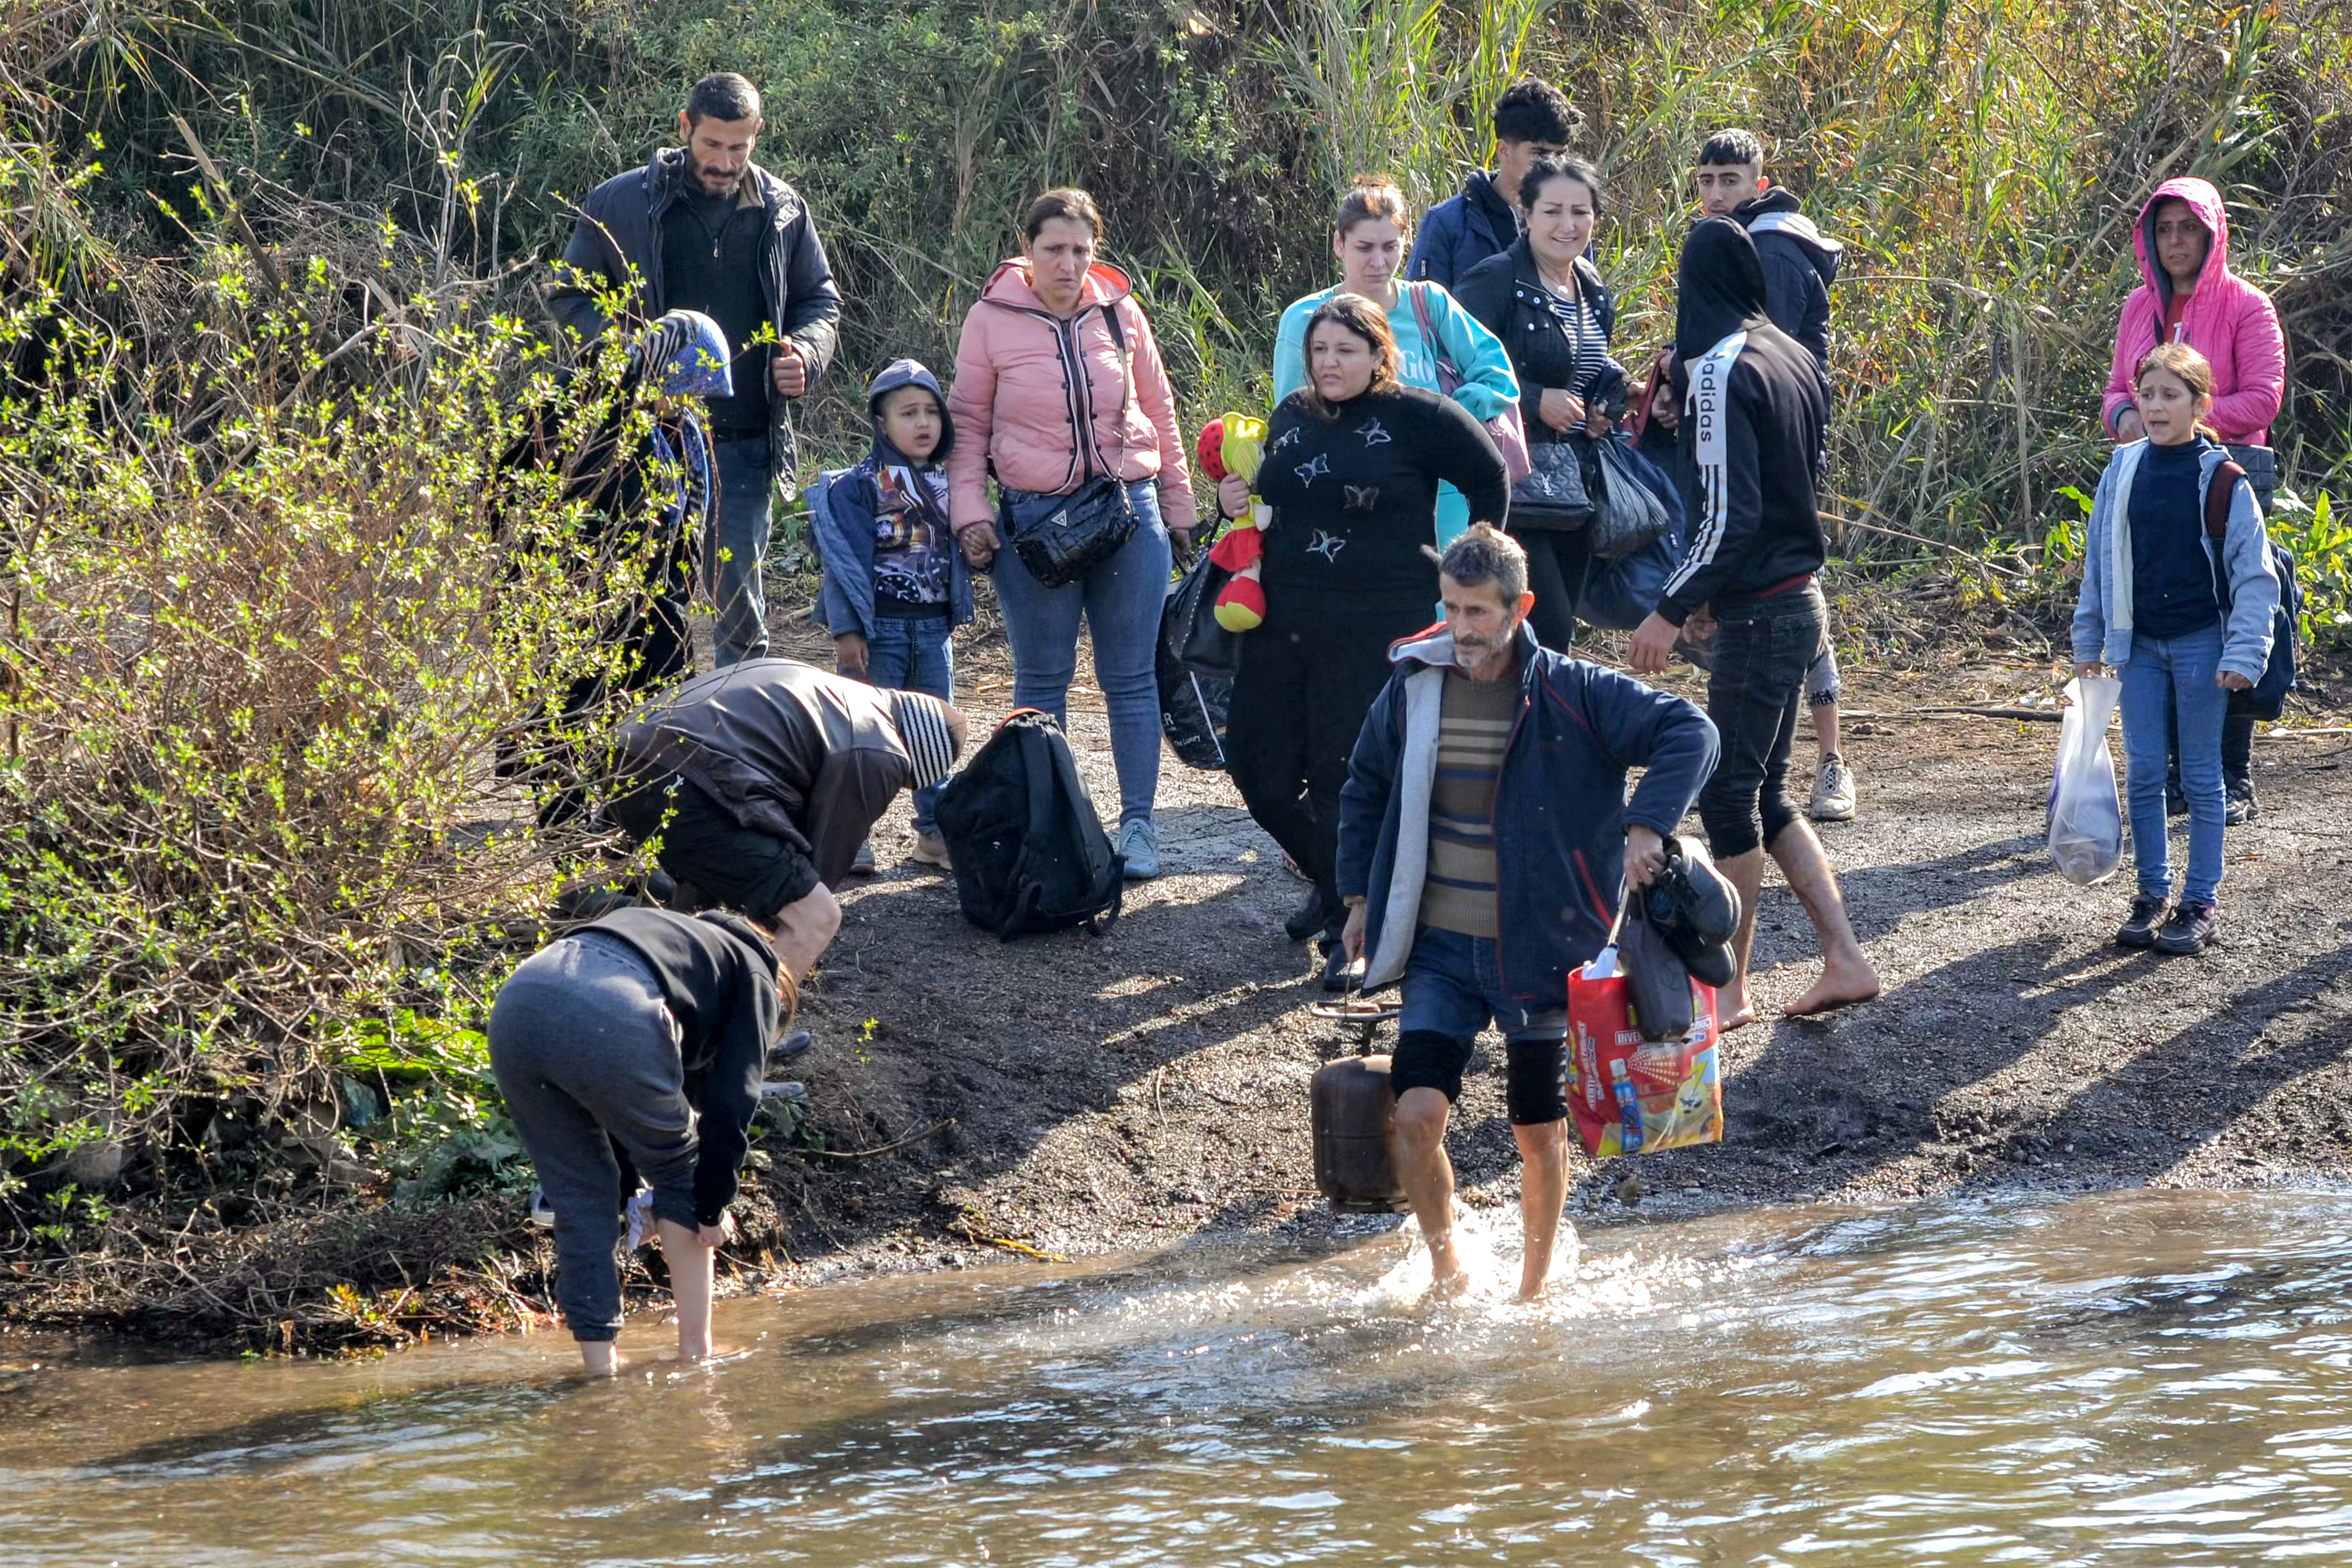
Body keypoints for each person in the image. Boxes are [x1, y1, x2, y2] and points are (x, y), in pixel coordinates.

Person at [1336, 527, 1717, 1300]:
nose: (1461, 628)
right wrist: (1357, 897)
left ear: (1522, 607)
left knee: (1538, 1133)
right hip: (1441, 949)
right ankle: (1448, 1270)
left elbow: (1692, 730)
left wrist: (1647, 824)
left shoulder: (1576, 692)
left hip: (1546, 950)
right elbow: (1365, 786)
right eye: (1450, 608)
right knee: (1415, 1117)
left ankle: (1532, 1294)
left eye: (1477, 611)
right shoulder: (1413, 687)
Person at [1628, 218, 1880, 1025]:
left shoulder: (1720, 368)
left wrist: (1673, 605)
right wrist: (1710, 594)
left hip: (1764, 612)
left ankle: (1730, 988)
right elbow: (1780, 490)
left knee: (1730, 796)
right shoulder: (1792, 354)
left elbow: (1728, 514)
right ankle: (1844, 956)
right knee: (1763, 791)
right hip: (1798, 600)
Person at [1218, 294, 1510, 987]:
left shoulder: (1420, 415)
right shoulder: (1292, 414)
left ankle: (1358, 926)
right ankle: (1334, 882)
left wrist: (1474, 568)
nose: (1329, 363)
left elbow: (1490, 477)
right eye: (1320, 350)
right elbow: (1266, 502)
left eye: (1346, 351)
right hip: (1282, 622)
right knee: (1256, 768)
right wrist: (1233, 501)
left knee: (1340, 777)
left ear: (1380, 355)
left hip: (1377, 625)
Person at [551, 71, 842, 669]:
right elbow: (570, 296)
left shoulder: (784, 210)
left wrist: (806, 357)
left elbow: (819, 301)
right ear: (685, 128)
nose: (725, 162)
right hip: (644, 442)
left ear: (758, 135)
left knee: (740, 609)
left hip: (743, 441)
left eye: (739, 147)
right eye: (712, 145)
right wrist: (635, 352)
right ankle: (654, 719)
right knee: (643, 601)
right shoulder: (621, 203)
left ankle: (740, 721)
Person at [945, 188, 1194, 879]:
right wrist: (970, 514)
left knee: (1131, 677)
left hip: (1127, 512)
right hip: (1034, 523)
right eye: (1053, 249)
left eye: (1081, 250)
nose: (1068, 264)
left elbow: (1160, 410)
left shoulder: (1121, 312)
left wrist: (1179, 507)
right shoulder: (990, 319)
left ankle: (1138, 829)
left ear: (1095, 251)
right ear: (1027, 250)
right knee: (1042, 680)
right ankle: (1052, 833)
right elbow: (967, 424)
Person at [489, 904, 787, 1375]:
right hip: (608, 1009)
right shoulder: (755, 970)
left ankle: (600, 1368)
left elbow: (611, 1096)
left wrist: (629, 1193)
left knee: (579, 1195)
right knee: (681, 1174)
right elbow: (734, 1098)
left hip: (517, 1006)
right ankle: (697, 1355)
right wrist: (710, 1207)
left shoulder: (672, 940)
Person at [2072, 343, 2279, 956]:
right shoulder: (2122, 470)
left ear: (2200, 405)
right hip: (2137, 645)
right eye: (2147, 395)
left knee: (2202, 775)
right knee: (2144, 773)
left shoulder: (2225, 479)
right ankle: (2152, 893)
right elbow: (2100, 564)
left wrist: (2244, 654)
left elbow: (2255, 575)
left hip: (2201, 645)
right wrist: (2089, 640)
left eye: (2170, 395)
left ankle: (2200, 901)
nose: (2155, 407)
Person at [607, 657, 969, 995]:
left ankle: (668, 984)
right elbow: (820, 864)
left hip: (626, 754)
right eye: (904, 784)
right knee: (817, 916)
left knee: (727, 866)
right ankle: (754, 1027)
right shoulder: (881, 750)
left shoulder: (836, 691)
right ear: (916, 760)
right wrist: (784, 936)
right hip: (689, 780)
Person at [2099, 176, 2287, 826]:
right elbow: (2117, 391)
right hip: (2152, 478)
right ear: (2149, 239)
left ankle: (2232, 775)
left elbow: (2264, 398)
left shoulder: (2247, 306)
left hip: (2228, 478)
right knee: (2160, 611)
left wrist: (2187, 423)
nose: (2176, 241)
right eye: (2165, 229)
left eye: (2188, 228)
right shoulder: (2137, 307)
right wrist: (2128, 417)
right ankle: (2179, 775)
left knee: (2225, 620)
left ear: (2213, 235)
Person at [501, 309, 724, 829]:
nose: (690, 403)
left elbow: (686, 521)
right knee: (570, 714)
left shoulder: (681, 431)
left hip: (655, 601)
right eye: (684, 388)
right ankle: (568, 840)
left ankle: (631, 829)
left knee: (657, 712)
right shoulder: (585, 414)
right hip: (577, 599)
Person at [1690, 128, 1855, 822]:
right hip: (1762, 447)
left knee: (1790, 602)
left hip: (1781, 455)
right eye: (1706, 180)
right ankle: (1776, 766)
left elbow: (1758, 361)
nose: (1717, 193)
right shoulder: (1732, 242)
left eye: (1731, 180)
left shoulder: (1775, 249)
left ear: (1760, 185)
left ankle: (1832, 760)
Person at [1272, 178, 1519, 556]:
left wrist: (1448, 422)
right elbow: (1290, 422)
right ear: (1339, 244)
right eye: (1364, 248)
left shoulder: (1430, 304)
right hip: (1344, 507)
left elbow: (1498, 374)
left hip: (1444, 505)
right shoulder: (1304, 320)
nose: (1379, 262)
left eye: (1390, 247)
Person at [1455, 154, 1628, 653]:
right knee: (1542, 627)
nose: (1567, 226)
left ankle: (1538, 704)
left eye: (1580, 212)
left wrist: (1608, 401)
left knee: (1557, 633)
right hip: (1513, 485)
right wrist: (1532, 401)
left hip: (1573, 487)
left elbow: (1588, 367)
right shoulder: (1495, 279)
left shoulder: (1591, 286)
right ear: (1526, 213)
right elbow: (1451, 371)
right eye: (1552, 212)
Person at [813, 359, 971, 875]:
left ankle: (934, 832)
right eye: (908, 413)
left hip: (933, 630)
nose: (923, 423)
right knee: (863, 734)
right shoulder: (859, 484)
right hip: (877, 631)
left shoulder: (952, 481)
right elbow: (842, 565)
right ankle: (850, 836)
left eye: (931, 412)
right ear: (882, 424)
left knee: (934, 735)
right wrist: (847, 630)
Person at [1405, 78, 1579, 292]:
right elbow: (1421, 308)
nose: (1553, 165)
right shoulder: (1447, 223)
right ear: (1503, 151)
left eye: (1560, 155)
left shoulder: (1572, 222)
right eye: (1540, 154)